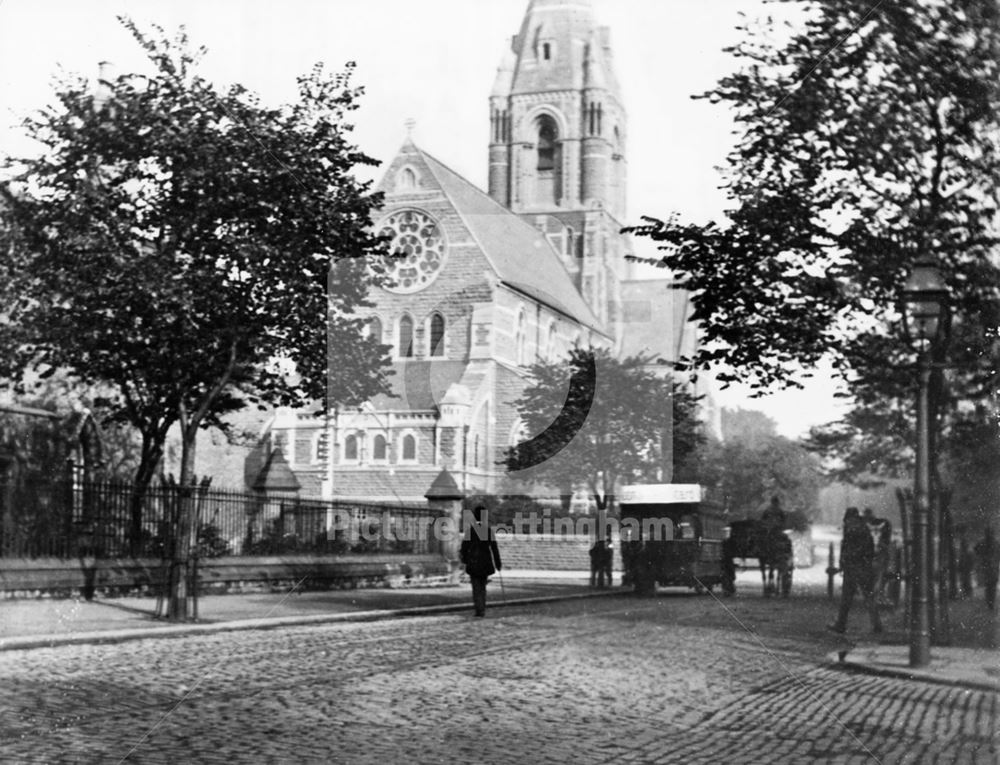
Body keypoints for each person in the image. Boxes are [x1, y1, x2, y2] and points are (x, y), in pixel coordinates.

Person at [828, 507, 883, 634]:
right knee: (867, 597)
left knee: (847, 598)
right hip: (862, 567)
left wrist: (845, 562)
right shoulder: (863, 529)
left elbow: (849, 549)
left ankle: (841, 625)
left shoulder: (853, 530)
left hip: (854, 567)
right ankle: (877, 624)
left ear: (850, 518)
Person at [459, 505, 502, 617]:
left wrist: (464, 560)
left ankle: (479, 609)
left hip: (473, 562)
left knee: (476, 587)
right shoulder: (488, 531)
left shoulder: (470, 531)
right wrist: (498, 564)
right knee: (483, 587)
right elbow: (494, 548)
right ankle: (481, 608)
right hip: (485, 563)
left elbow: (464, 548)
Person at [862, 508, 892, 603]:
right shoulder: (863, 524)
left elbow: (885, 539)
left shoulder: (881, 523)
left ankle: (875, 593)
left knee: (880, 571)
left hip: (879, 550)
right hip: (868, 551)